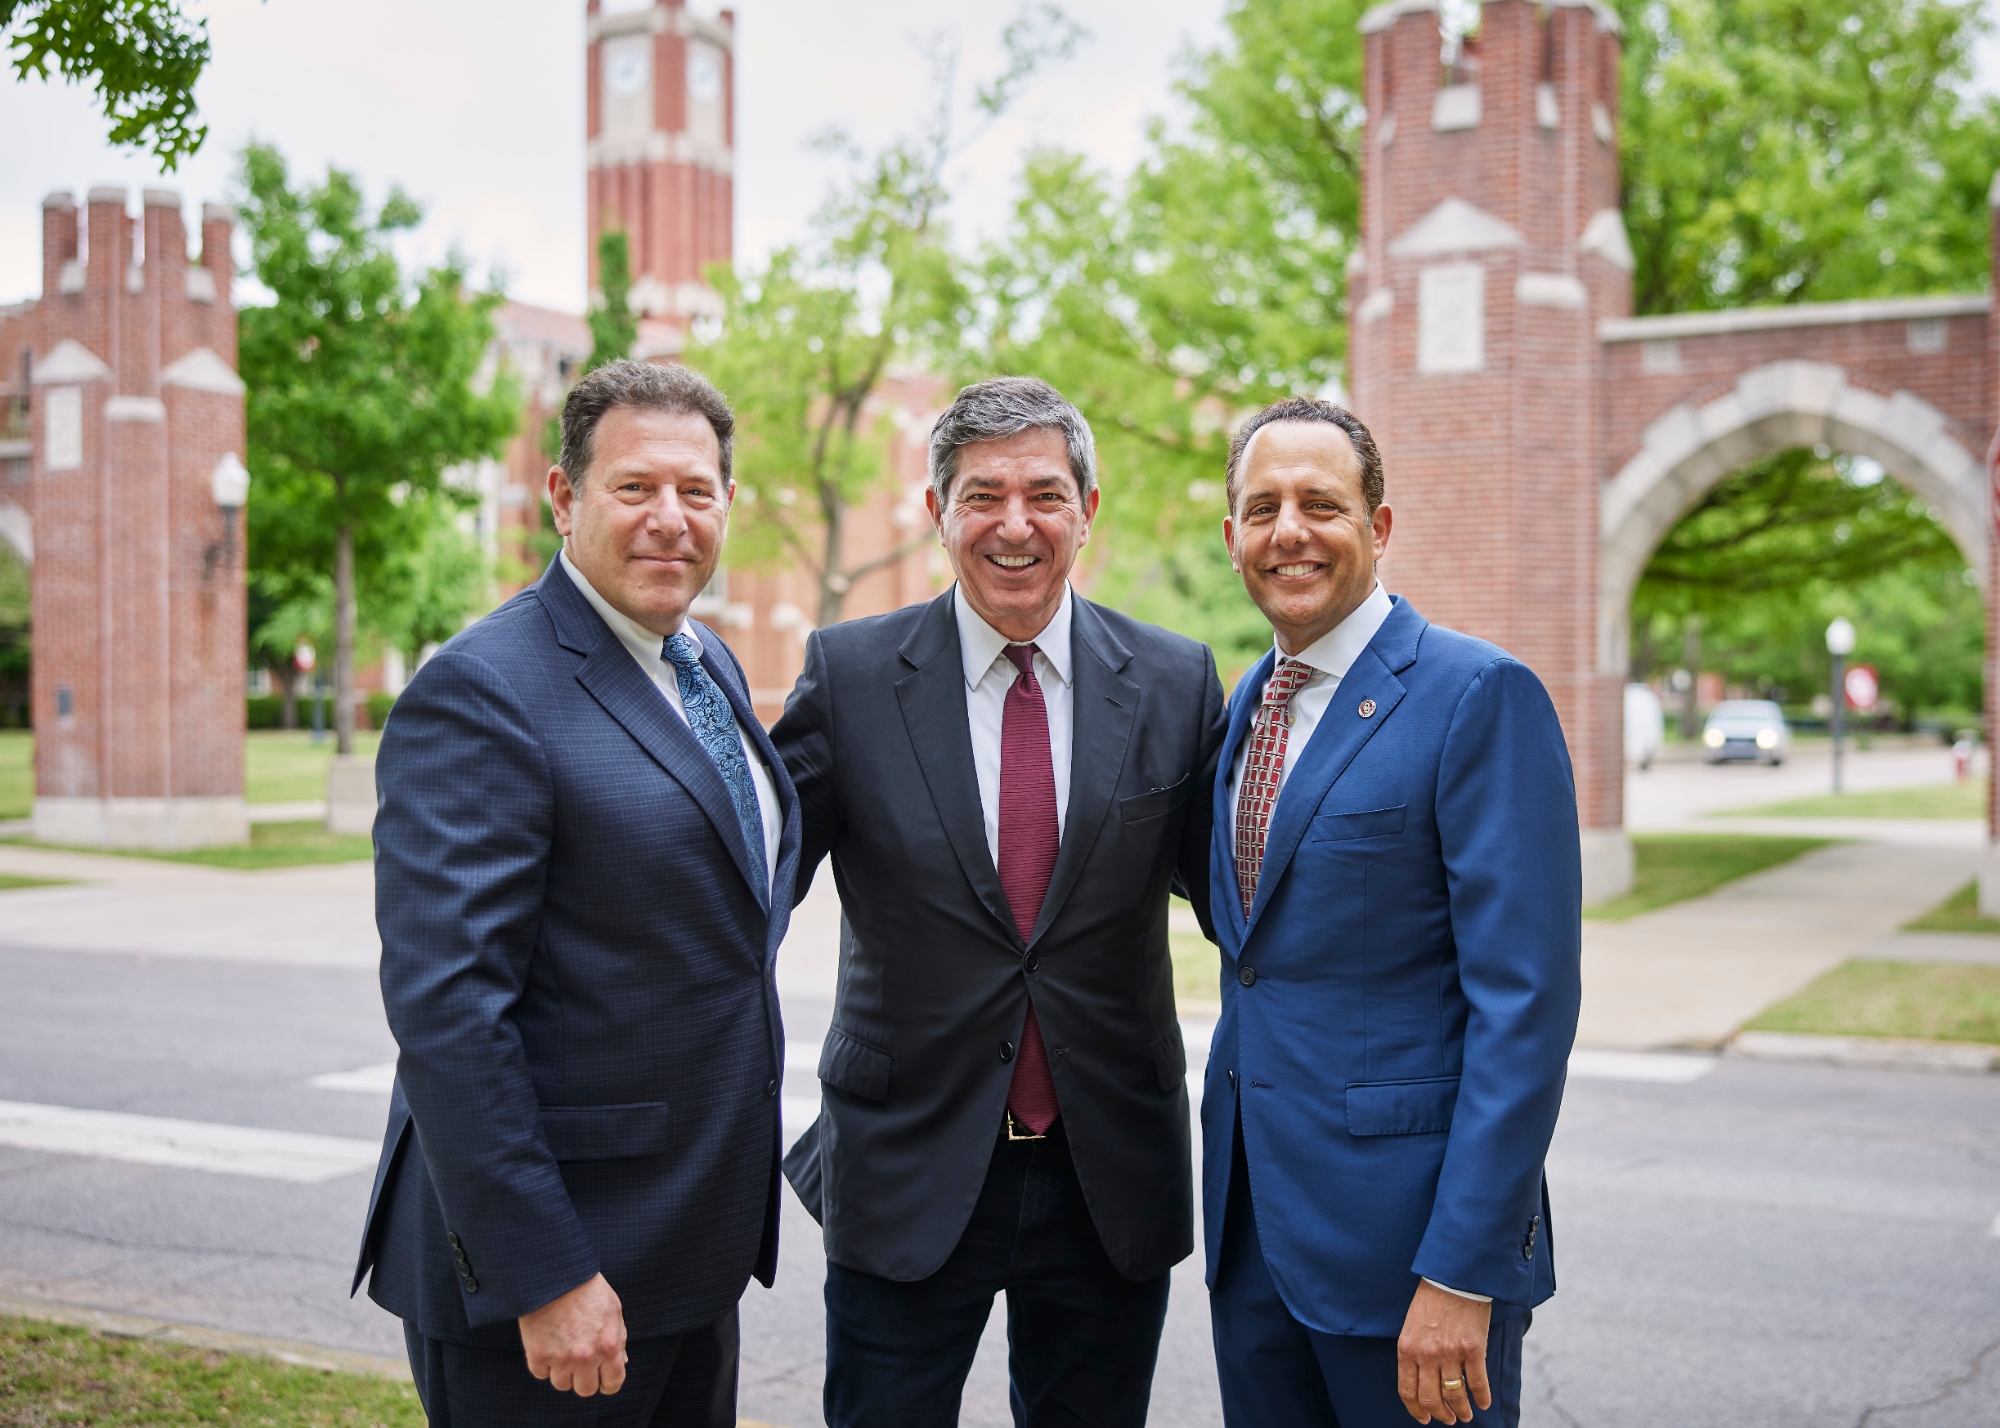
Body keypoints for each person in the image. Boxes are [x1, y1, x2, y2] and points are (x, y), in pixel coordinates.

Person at [772, 376, 1227, 1427]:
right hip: (906, 1163)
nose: (1012, 525)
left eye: (1043, 494)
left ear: (1086, 510)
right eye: (981, 496)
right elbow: (744, 876)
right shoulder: (846, 677)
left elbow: (1245, 905)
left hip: (1105, 1171)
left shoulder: (1173, 681)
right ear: (936, 512)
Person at [351, 360, 798, 1428]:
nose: (670, 519)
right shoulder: (483, 691)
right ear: (562, 497)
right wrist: (544, 1275)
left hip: (687, 1245)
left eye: (696, 492)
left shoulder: (703, 665)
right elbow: (451, 1017)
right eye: (633, 487)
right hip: (553, 1278)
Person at [1203, 397, 1581, 1428]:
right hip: (1255, 1244)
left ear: (1379, 526)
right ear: (1231, 535)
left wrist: (1461, 1270)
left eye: (1320, 504)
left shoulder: (1475, 696)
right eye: (1262, 506)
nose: (1289, 530)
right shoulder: (1247, 704)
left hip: (1413, 1264)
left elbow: (1524, 1011)